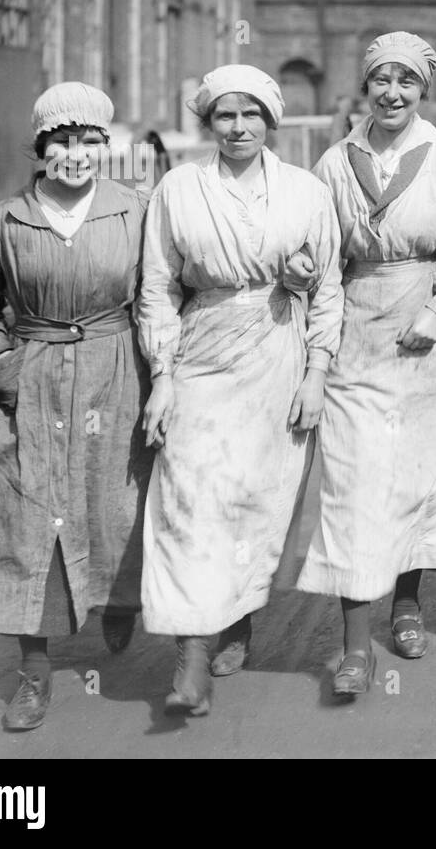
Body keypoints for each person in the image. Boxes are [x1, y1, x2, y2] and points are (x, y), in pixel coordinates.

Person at [285, 32, 436, 696]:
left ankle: (407, 604)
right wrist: (298, 268)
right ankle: (355, 648)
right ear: (365, 85)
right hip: (356, 331)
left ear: (422, 90)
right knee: (353, 488)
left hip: (432, 339)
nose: (393, 92)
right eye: (382, 79)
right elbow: (316, 256)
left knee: (417, 480)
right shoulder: (331, 164)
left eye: (406, 81)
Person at [137, 65, 343, 716]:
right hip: (203, 347)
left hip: (278, 350)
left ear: (270, 121)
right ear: (209, 123)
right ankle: (190, 658)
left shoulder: (306, 192)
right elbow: (158, 287)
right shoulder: (177, 189)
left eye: (250, 114)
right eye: (225, 115)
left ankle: (237, 619)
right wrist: (162, 376)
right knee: (191, 494)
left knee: (254, 500)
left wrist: (316, 373)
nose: (238, 127)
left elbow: (330, 288)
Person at [0, 82, 153, 730]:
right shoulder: (3, 220)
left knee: (115, 502)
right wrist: (0, 360)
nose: (74, 153)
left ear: (106, 146)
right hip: (33, 376)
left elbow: (162, 292)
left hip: (115, 372)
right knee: (25, 515)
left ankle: (119, 600)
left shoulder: (137, 211)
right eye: (60, 141)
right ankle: (34, 673)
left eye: (89, 141)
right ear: (40, 149)